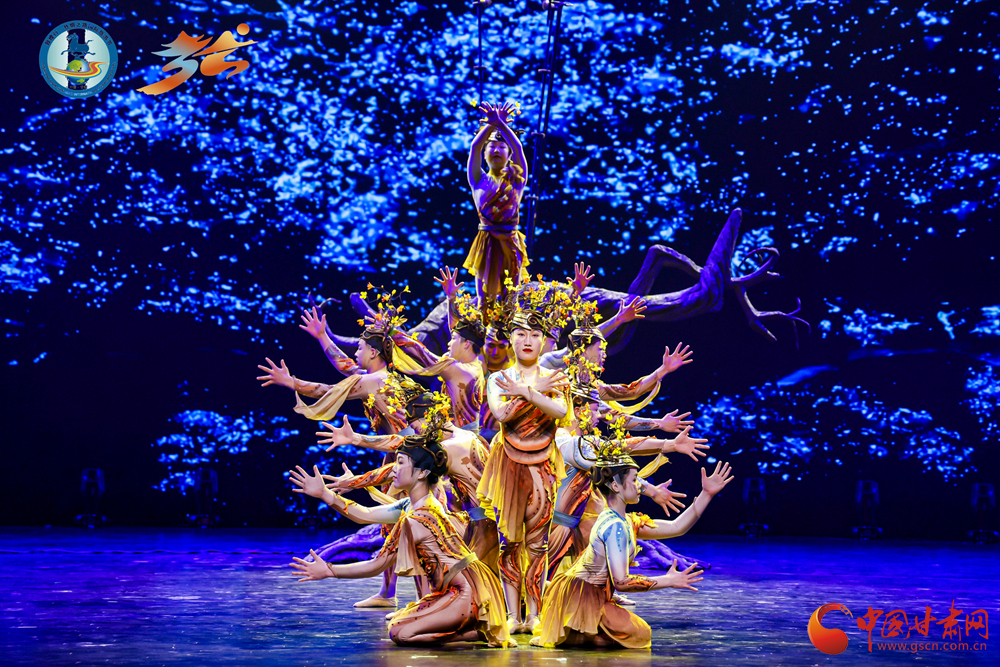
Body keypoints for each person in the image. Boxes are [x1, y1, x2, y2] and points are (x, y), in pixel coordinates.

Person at [288, 431, 514, 648]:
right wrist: (325, 494)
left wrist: (329, 571)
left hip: (467, 590)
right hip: (460, 587)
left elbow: (376, 565)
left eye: (400, 463)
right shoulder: (414, 505)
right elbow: (365, 514)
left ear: (422, 473)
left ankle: (477, 632)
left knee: (400, 633)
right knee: (398, 622)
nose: (393, 469)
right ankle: (473, 625)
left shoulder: (417, 518)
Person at [532, 444, 734, 649]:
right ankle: (569, 634)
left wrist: (706, 494)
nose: (639, 485)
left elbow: (676, 527)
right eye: (634, 479)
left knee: (639, 634)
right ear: (616, 486)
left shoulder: (627, 521)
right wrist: (668, 580)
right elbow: (622, 582)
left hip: (594, 594)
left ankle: (575, 631)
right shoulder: (614, 527)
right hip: (579, 595)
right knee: (639, 634)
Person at [319, 390, 499, 572]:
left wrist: (354, 482)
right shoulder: (468, 436)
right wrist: (356, 439)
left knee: (472, 579)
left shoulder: (448, 448)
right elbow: (403, 442)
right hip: (485, 521)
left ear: (430, 417)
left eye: (416, 426)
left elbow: (403, 466)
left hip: (483, 527)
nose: (416, 431)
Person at [546, 383, 709, 582]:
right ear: (579, 411)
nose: (599, 416)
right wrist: (651, 489)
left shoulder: (586, 443)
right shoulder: (564, 441)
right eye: (595, 410)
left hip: (574, 522)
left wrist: (670, 444)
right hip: (556, 528)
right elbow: (610, 463)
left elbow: (619, 447)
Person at [477, 307, 568, 633]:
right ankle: (514, 616)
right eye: (520, 334)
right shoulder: (498, 378)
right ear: (510, 339)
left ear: (544, 341)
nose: (527, 340)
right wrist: (530, 392)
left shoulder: (554, 377)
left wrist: (530, 391)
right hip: (509, 467)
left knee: (538, 544)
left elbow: (560, 411)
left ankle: (534, 615)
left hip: (542, 466)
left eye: (535, 335)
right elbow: (502, 415)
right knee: (510, 543)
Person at [463, 101, 529, 306]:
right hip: (486, 242)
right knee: (484, 300)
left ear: (509, 155)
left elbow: (518, 147)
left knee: (510, 299)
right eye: (492, 146)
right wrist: (491, 124)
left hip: (510, 242)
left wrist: (501, 124)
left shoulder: (517, 179)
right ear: (485, 153)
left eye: (502, 147)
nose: (497, 150)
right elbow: (475, 146)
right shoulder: (478, 179)